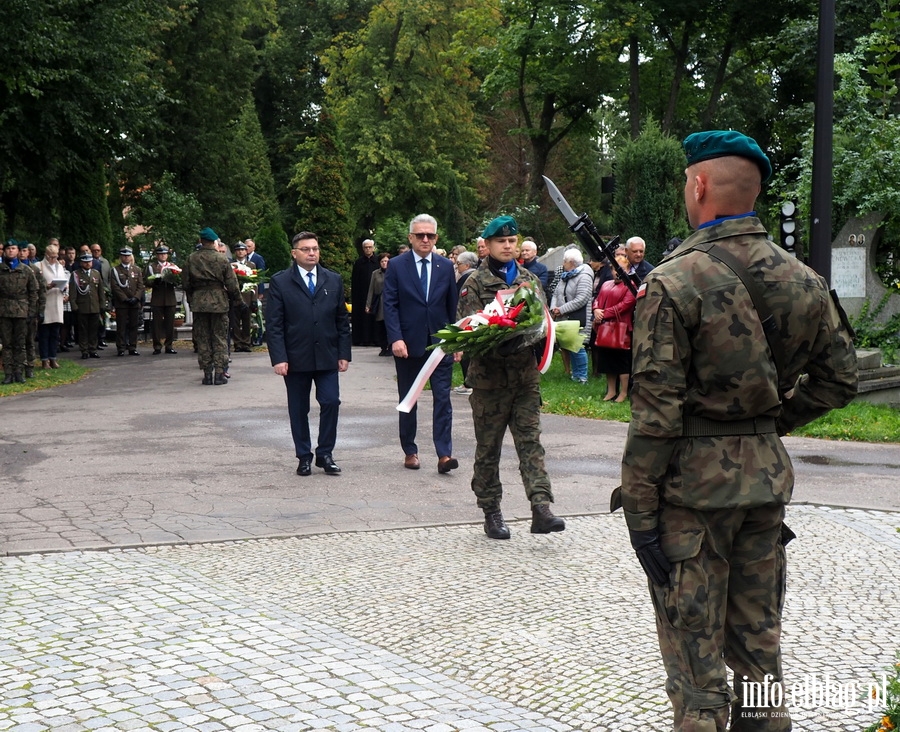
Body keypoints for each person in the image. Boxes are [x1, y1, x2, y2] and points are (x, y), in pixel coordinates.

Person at [617, 130, 858, 731]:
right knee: (760, 665)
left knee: (698, 677)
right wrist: (768, 422)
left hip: (690, 499)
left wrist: (639, 510)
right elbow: (839, 381)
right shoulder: (804, 278)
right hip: (764, 490)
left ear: (699, 184)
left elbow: (656, 412)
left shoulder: (673, 282)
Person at [457, 215, 565, 539]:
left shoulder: (531, 279)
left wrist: (546, 337)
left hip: (524, 379)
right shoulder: (474, 283)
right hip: (489, 382)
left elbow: (542, 319)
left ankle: (541, 507)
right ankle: (491, 511)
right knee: (488, 448)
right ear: (487, 245)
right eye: (500, 241)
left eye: (512, 241)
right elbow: (468, 329)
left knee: (531, 443)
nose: (507, 246)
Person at [267, 231, 350, 476]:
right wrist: (279, 357)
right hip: (295, 358)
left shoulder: (333, 279)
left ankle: (325, 453)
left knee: (331, 401)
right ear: (294, 253)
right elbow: (274, 324)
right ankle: (304, 455)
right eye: (306, 249)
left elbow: (341, 320)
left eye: (315, 248)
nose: (312, 253)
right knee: (298, 408)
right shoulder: (281, 282)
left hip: (327, 355)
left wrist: (344, 352)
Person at [382, 214, 458, 473]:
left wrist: (455, 340)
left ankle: (444, 455)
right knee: (409, 398)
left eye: (430, 235)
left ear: (436, 238)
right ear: (411, 237)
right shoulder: (396, 265)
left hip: (439, 344)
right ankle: (410, 450)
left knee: (443, 398)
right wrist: (396, 338)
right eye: (420, 235)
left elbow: (451, 307)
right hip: (408, 344)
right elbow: (389, 304)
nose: (425, 239)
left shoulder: (445, 267)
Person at [183, 227, 242, 385]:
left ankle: (207, 374)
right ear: (214, 241)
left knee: (203, 338)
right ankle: (220, 373)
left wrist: (192, 299)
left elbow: (186, 283)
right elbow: (232, 284)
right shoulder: (221, 259)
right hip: (218, 302)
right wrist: (238, 300)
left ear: (201, 241)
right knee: (220, 338)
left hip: (199, 302)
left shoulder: (191, 258)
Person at [592, 248, 636, 401]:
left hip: (621, 329)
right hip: (604, 328)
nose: (617, 272)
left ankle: (623, 392)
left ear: (628, 270)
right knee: (607, 362)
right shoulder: (606, 284)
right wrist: (596, 309)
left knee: (622, 362)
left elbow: (625, 305)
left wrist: (602, 313)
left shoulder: (631, 286)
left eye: (621, 269)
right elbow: (596, 299)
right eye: (614, 269)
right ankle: (611, 391)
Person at [549, 247, 593, 384]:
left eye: (565, 261)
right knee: (570, 346)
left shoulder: (584, 276)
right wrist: (553, 308)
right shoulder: (566, 275)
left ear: (571, 262)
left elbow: (581, 299)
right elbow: (556, 293)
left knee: (578, 347)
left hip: (579, 318)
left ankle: (582, 376)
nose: (563, 264)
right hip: (566, 318)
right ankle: (575, 374)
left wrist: (561, 309)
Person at [0, 239, 39, 383]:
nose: (11, 251)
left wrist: (32, 312)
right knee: (7, 343)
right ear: (5, 251)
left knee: (20, 343)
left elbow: (33, 292)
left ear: (18, 251)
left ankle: (19, 372)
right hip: (4, 310)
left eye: (14, 248)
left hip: (22, 310)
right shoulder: (1, 269)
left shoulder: (26, 270)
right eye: (8, 248)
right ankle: (8, 373)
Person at [35, 242, 69, 369]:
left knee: (55, 333)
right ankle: (44, 360)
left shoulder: (59, 267)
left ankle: (53, 358)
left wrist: (64, 287)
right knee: (44, 333)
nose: (54, 259)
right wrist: (47, 286)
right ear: (46, 255)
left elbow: (65, 280)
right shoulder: (39, 266)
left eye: (56, 256)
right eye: (51, 256)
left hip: (58, 301)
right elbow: (35, 285)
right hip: (46, 303)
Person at [69, 251, 106, 360]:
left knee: (94, 330)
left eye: (89, 261)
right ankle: (84, 350)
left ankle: (93, 349)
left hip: (94, 306)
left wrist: (102, 305)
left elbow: (101, 291)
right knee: (83, 330)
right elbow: (72, 292)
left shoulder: (96, 273)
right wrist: (74, 305)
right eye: (85, 262)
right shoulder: (76, 275)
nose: (88, 264)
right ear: (81, 263)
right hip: (82, 307)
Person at [452, 250, 479, 396]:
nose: (457, 267)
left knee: (466, 354)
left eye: (459, 264)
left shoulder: (467, 278)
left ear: (467, 265)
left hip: (467, 321)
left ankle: (469, 383)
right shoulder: (473, 276)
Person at [109, 247, 144, 356]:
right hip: (122, 303)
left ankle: (132, 347)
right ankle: (121, 347)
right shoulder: (115, 270)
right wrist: (125, 299)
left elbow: (140, 286)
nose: (126, 257)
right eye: (124, 255)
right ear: (120, 257)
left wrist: (136, 298)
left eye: (128, 255)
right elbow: (115, 287)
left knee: (133, 326)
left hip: (134, 302)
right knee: (121, 326)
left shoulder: (136, 269)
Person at [145, 245, 179, 355]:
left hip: (169, 298)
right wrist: (155, 281)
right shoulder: (152, 267)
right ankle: (157, 346)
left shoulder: (172, 266)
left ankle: (169, 345)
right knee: (157, 324)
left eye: (165, 254)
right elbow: (146, 281)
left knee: (170, 324)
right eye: (160, 254)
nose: (163, 255)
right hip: (158, 298)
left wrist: (173, 280)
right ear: (157, 255)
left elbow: (178, 281)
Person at [351, 238, 378, 347]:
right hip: (361, 294)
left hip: (375, 294)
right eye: (366, 247)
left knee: (374, 317)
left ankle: (375, 338)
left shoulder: (377, 261)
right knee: (362, 317)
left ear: (373, 248)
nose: (368, 249)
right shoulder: (358, 263)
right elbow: (355, 280)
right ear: (363, 249)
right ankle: (362, 339)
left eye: (370, 247)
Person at [230, 241, 256, 352]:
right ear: (235, 252)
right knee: (235, 322)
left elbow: (254, 283)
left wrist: (254, 300)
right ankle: (237, 343)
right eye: (238, 250)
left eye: (242, 250)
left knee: (247, 322)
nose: (240, 252)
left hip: (247, 297)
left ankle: (246, 342)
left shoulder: (251, 265)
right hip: (235, 297)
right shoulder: (231, 265)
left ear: (246, 251)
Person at [365, 252, 391, 356]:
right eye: (382, 261)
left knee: (390, 325)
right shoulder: (375, 273)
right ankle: (383, 347)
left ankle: (390, 346)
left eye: (386, 261)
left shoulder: (393, 272)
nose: (384, 263)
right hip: (380, 302)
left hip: (390, 301)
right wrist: (368, 304)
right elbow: (371, 289)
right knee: (381, 326)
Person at [90, 243, 112, 349]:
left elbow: (108, 277)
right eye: (94, 250)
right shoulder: (89, 262)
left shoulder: (105, 262)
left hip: (105, 291)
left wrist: (108, 291)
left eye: (98, 250)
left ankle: (102, 338)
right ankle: (93, 340)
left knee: (104, 315)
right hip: (93, 292)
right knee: (95, 317)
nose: (96, 252)